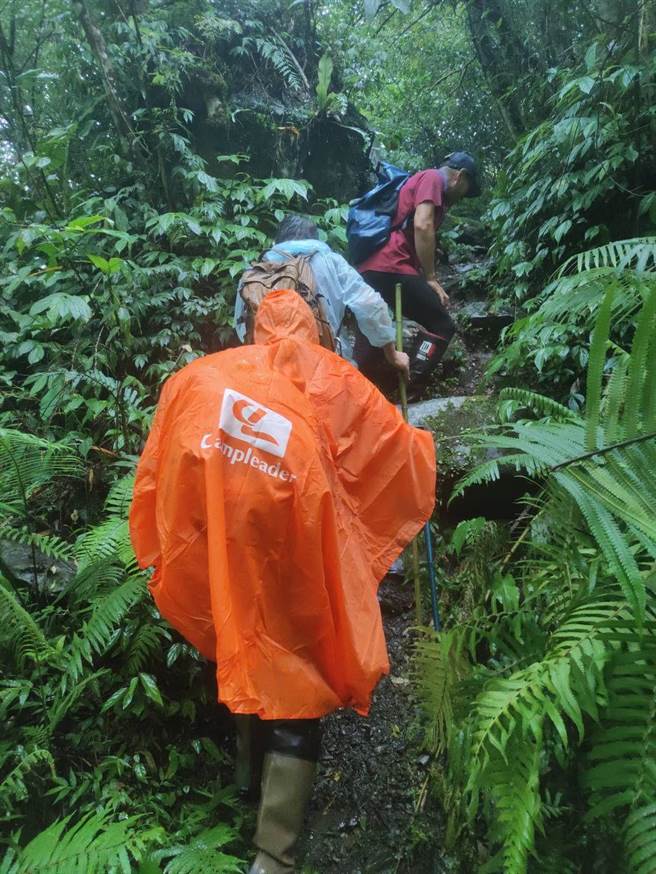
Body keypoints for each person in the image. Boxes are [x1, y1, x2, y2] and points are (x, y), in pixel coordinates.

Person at [130, 290, 435, 874]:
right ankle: (275, 853)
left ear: (256, 328)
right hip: (294, 534)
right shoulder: (331, 373)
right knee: (296, 670)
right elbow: (388, 446)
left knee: (241, 642)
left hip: (226, 538)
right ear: (312, 328)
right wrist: (422, 450)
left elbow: (162, 463)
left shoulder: (203, 375)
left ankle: (246, 780)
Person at [355, 151, 481, 386]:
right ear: (460, 176)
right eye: (467, 189)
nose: (463, 197)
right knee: (442, 325)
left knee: (372, 333)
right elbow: (423, 225)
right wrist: (431, 278)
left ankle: (365, 391)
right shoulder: (433, 178)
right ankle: (410, 385)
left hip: (371, 267)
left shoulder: (421, 181)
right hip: (392, 264)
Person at [234, 215, 409, 382]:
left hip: (271, 373)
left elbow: (242, 326)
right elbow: (369, 304)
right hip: (327, 369)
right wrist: (392, 354)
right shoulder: (331, 262)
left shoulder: (256, 271)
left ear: (277, 241)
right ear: (315, 238)